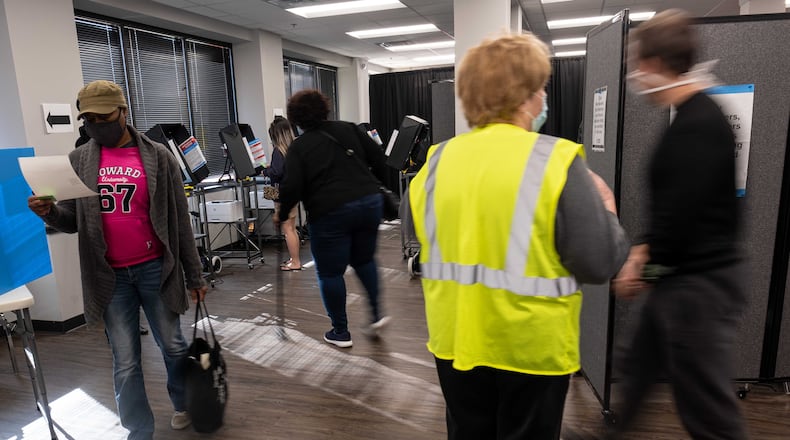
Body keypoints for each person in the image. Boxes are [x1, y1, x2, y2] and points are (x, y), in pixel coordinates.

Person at [407, 33, 629, 439]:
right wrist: (609, 211)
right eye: (540, 87)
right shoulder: (556, 161)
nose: (544, 97)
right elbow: (599, 262)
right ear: (525, 95)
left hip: (455, 342)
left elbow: (420, 239)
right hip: (530, 349)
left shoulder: (435, 164)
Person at [28, 80, 208, 440]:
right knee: (125, 361)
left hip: (156, 268)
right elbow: (72, 221)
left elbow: (179, 222)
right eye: (88, 119)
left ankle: (183, 402)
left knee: (173, 346)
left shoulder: (158, 156)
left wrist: (195, 276)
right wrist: (48, 213)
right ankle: (138, 430)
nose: (96, 124)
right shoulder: (79, 159)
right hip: (109, 276)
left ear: (123, 112)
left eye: (103, 116)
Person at [610, 10, 747, 439]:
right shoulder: (695, 116)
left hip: (696, 288)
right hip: (682, 279)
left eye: (637, 65)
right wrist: (643, 251)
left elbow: (682, 224)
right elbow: (675, 206)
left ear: (653, 65)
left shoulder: (697, 125)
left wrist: (644, 269)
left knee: (707, 411)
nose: (635, 76)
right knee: (638, 371)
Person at [279, 89, 390, 348]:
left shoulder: (300, 147)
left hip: (329, 212)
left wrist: (282, 215)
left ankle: (340, 332)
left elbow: (291, 186)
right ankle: (376, 315)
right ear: (325, 108)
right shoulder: (349, 128)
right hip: (367, 203)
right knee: (364, 260)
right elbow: (380, 159)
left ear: (295, 119)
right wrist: (380, 190)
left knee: (330, 272)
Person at [262, 116, 302, 271]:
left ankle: (296, 262)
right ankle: (295, 259)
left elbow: (277, 172)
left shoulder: (278, 151)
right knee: (292, 228)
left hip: (282, 193)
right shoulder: (292, 149)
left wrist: (266, 171)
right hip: (293, 191)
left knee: (288, 230)